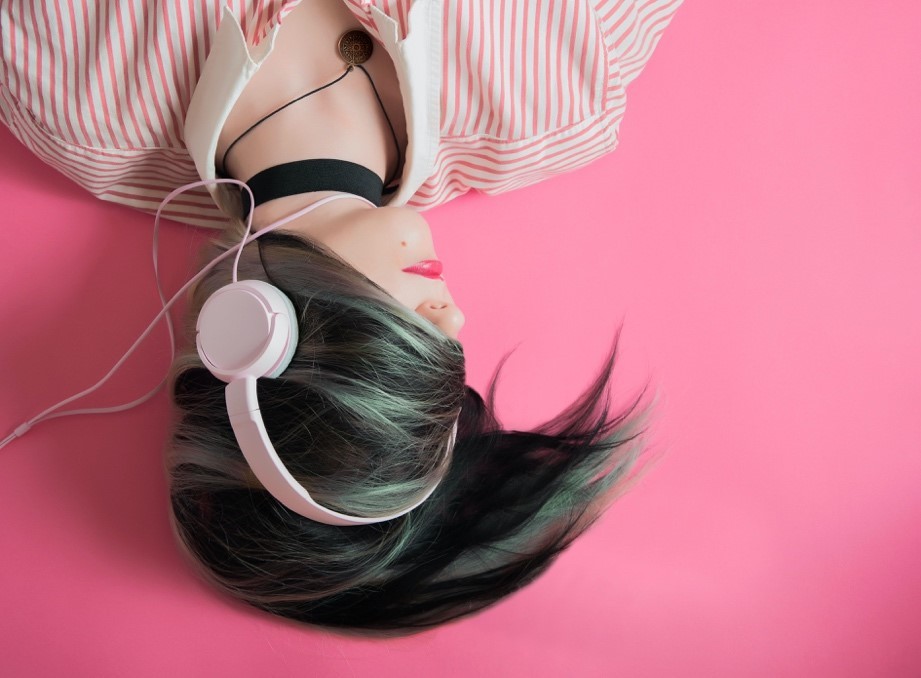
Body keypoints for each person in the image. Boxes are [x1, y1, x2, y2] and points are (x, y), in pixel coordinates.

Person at [0, 0, 681, 632]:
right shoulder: (559, 91)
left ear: (254, 333)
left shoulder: (73, 94)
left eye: (405, 357)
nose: (455, 322)